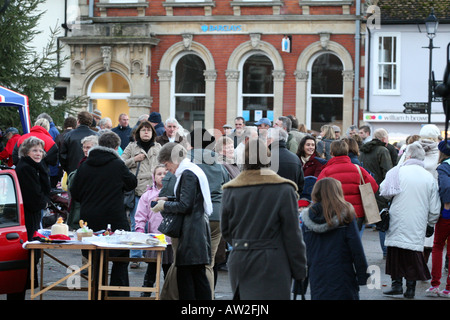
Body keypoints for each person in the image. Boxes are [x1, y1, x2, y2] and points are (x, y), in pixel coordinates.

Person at [221, 138, 307, 299]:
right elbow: (293, 234)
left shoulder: (231, 190)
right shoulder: (283, 189)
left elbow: (226, 230)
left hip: (241, 257)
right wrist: (300, 269)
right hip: (274, 260)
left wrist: (244, 244)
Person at [70, 131, 137, 297]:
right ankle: (117, 294)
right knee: (120, 256)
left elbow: (75, 192)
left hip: (89, 219)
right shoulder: (117, 164)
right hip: (114, 218)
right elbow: (132, 183)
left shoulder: (84, 165)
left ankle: (97, 294)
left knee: (96, 258)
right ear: (116, 147)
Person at [380, 141, 440, 299]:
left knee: (395, 253)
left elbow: (384, 191)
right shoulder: (429, 177)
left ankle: (396, 285)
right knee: (413, 254)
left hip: (397, 220)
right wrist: (431, 223)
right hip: (418, 222)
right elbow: (435, 206)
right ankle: (411, 288)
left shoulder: (397, 172)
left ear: (408, 156)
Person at [152, 142, 212, 300]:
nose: (167, 170)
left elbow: (185, 205)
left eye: (166, 165)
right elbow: (189, 199)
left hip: (191, 231)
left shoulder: (187, 174)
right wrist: (167, 198)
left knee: (188, 278)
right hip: (195, 228)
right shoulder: (190, 171)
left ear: (172, 160)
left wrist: (165, 205)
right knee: (197, 276)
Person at [300, 177, 370, 300]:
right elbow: (356, 248)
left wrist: (300, 284)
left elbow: (303, 254)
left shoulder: (307, 219)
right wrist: (363, 276)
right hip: (343, 275)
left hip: (318, 276)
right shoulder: (346, 215)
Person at [187, 128, 230, 299]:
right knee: (209, 262)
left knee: (188, 262)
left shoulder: (188, 159)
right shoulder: (218, 162)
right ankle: (208, 296)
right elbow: (227, 184)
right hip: (216, 215)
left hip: (194, 215)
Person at [122, 120, 162, 268]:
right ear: (138, 132)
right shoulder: (132, 147)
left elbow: (164, 165)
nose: (146, 132)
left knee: (155, 225)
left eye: (149, 130)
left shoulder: (158, 147)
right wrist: (135, 159)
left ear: (152, 133)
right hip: (138, 189)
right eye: (143, 130)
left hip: (154, 191)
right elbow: (121, 162)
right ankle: (135, 256)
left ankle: (152, 254)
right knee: (137, 223)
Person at [317, 140, 378, 231]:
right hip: (356, 214)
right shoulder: (358, 169)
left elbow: (318, 192)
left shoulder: (326, 171)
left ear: (332, 152)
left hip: (334, 212)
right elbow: (374, 187)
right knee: (354, 241)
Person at [135, 164, 173, 297]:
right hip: (155, 238)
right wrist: (140, 230)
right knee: (151, 268)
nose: (162, 176)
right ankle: (146, 292)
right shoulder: (147, 195)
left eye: (165, 173)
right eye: (159, 174)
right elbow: (140, 215)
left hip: (170, 239)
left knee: (169, 269)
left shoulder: (174, 193)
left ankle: (170, 294)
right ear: (153, 176)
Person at [359, 128, 393, 257]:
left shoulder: (363, 150)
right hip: (379, 189)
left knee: (362, 220)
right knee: (382, 220)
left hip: (365, 188)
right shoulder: (382, 151)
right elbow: (388, 172)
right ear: (384, 139)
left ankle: (357, 250)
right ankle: (385, 252)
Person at [426, 140, 450, 298]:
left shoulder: (444, 167)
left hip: (446, 215)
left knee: (438, 246)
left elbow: (446, 187)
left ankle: (435, 285)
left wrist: (447, 207)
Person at [15, 136, 51, 241]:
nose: (38, 153)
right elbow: (33, 194)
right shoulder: (26, 168)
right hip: (29, 213)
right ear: (26, 152)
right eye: (34, 150)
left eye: (40, 151)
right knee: (32, 241)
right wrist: (44, 203)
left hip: (31, 211)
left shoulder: (33, 166)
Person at [66, 135, 99, 230]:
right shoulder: (83, 161)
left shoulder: (93, 162)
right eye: (83, 147)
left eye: (88, 147)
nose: (85, 150)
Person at [267, 127, 304, 193]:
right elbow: (300, 185)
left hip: (270, 200)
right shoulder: (295, 158)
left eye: (266, 138)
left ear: (271, 140)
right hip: (290, 199)